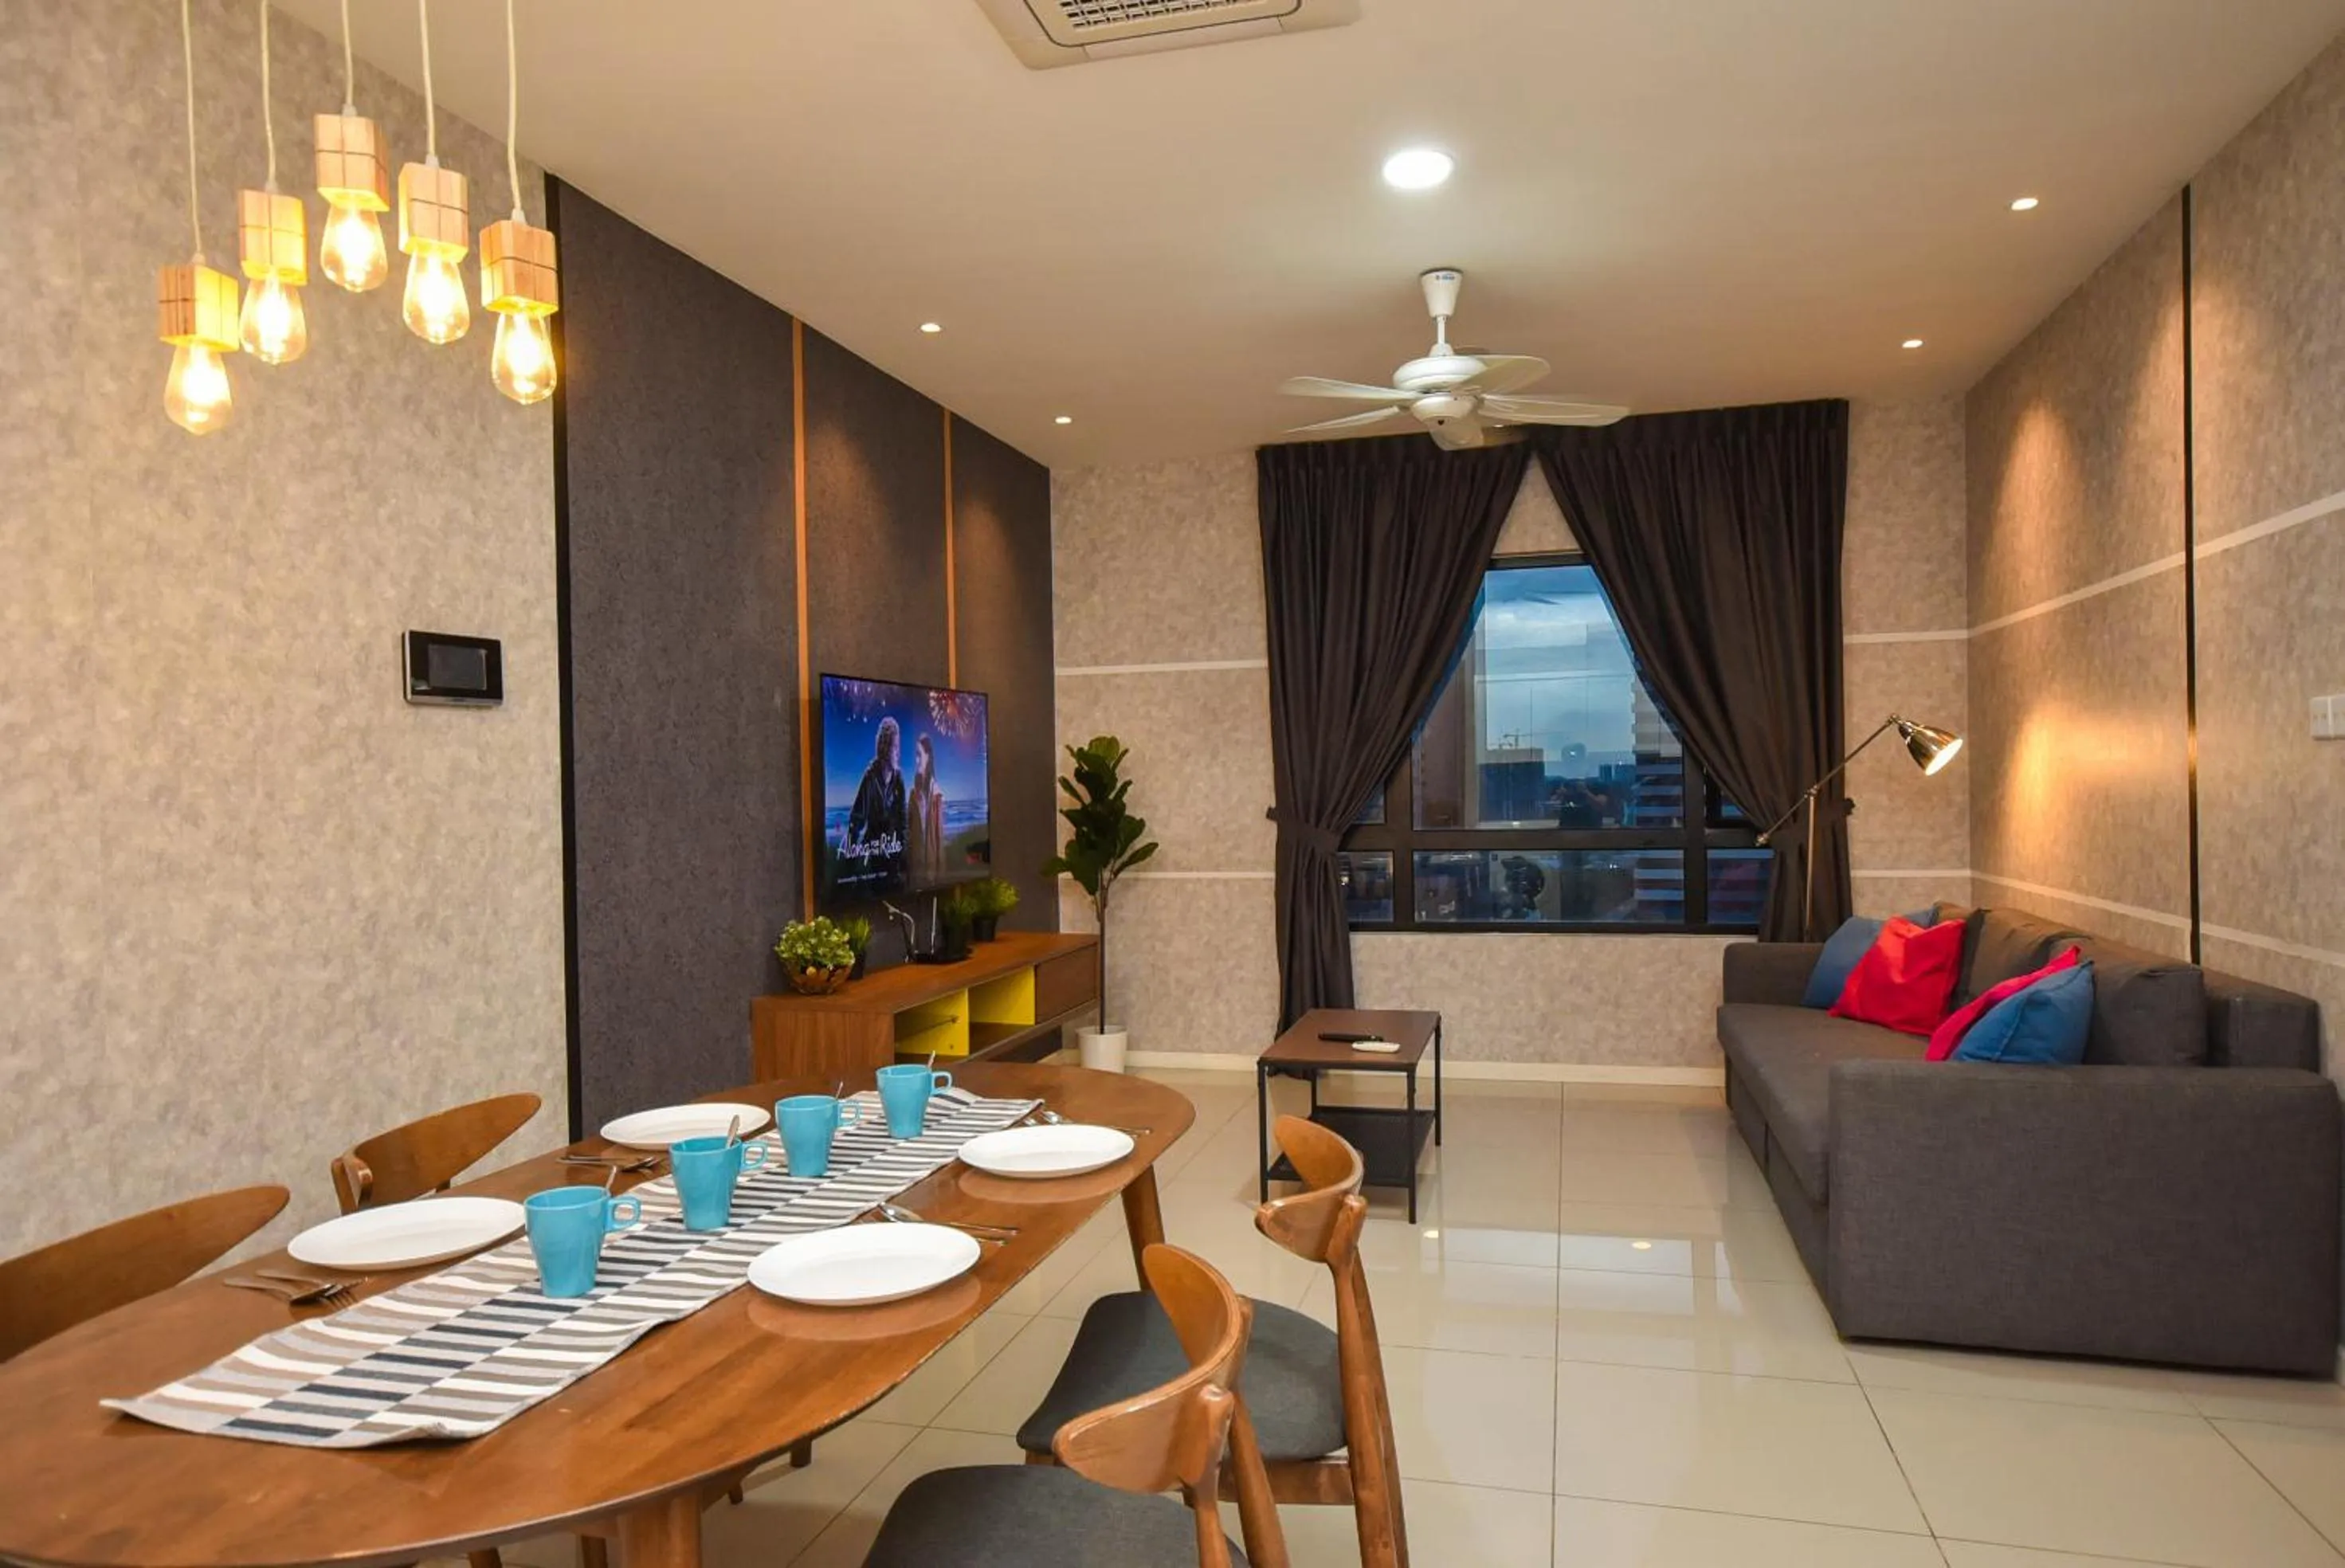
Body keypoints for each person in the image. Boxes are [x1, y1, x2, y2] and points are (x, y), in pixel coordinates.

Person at [843, 715, 908, 888]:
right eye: (895, 747)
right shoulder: (870, 777)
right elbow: (856, 821)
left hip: (893, 853)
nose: (898, 752)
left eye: (898, 747)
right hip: (873, 854)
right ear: (885, 748)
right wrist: (848, 869)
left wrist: (901, 854)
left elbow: (903, 821)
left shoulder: (898, 778)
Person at [908, 732, 947, 884]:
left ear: (928, 756)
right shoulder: (913, 794)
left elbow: (939, 839)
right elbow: (909, 834)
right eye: (915, 755)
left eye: (919, 755)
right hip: (915, 873)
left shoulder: (936, 794)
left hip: (931, 876)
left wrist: (941, 878)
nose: (916, 760)